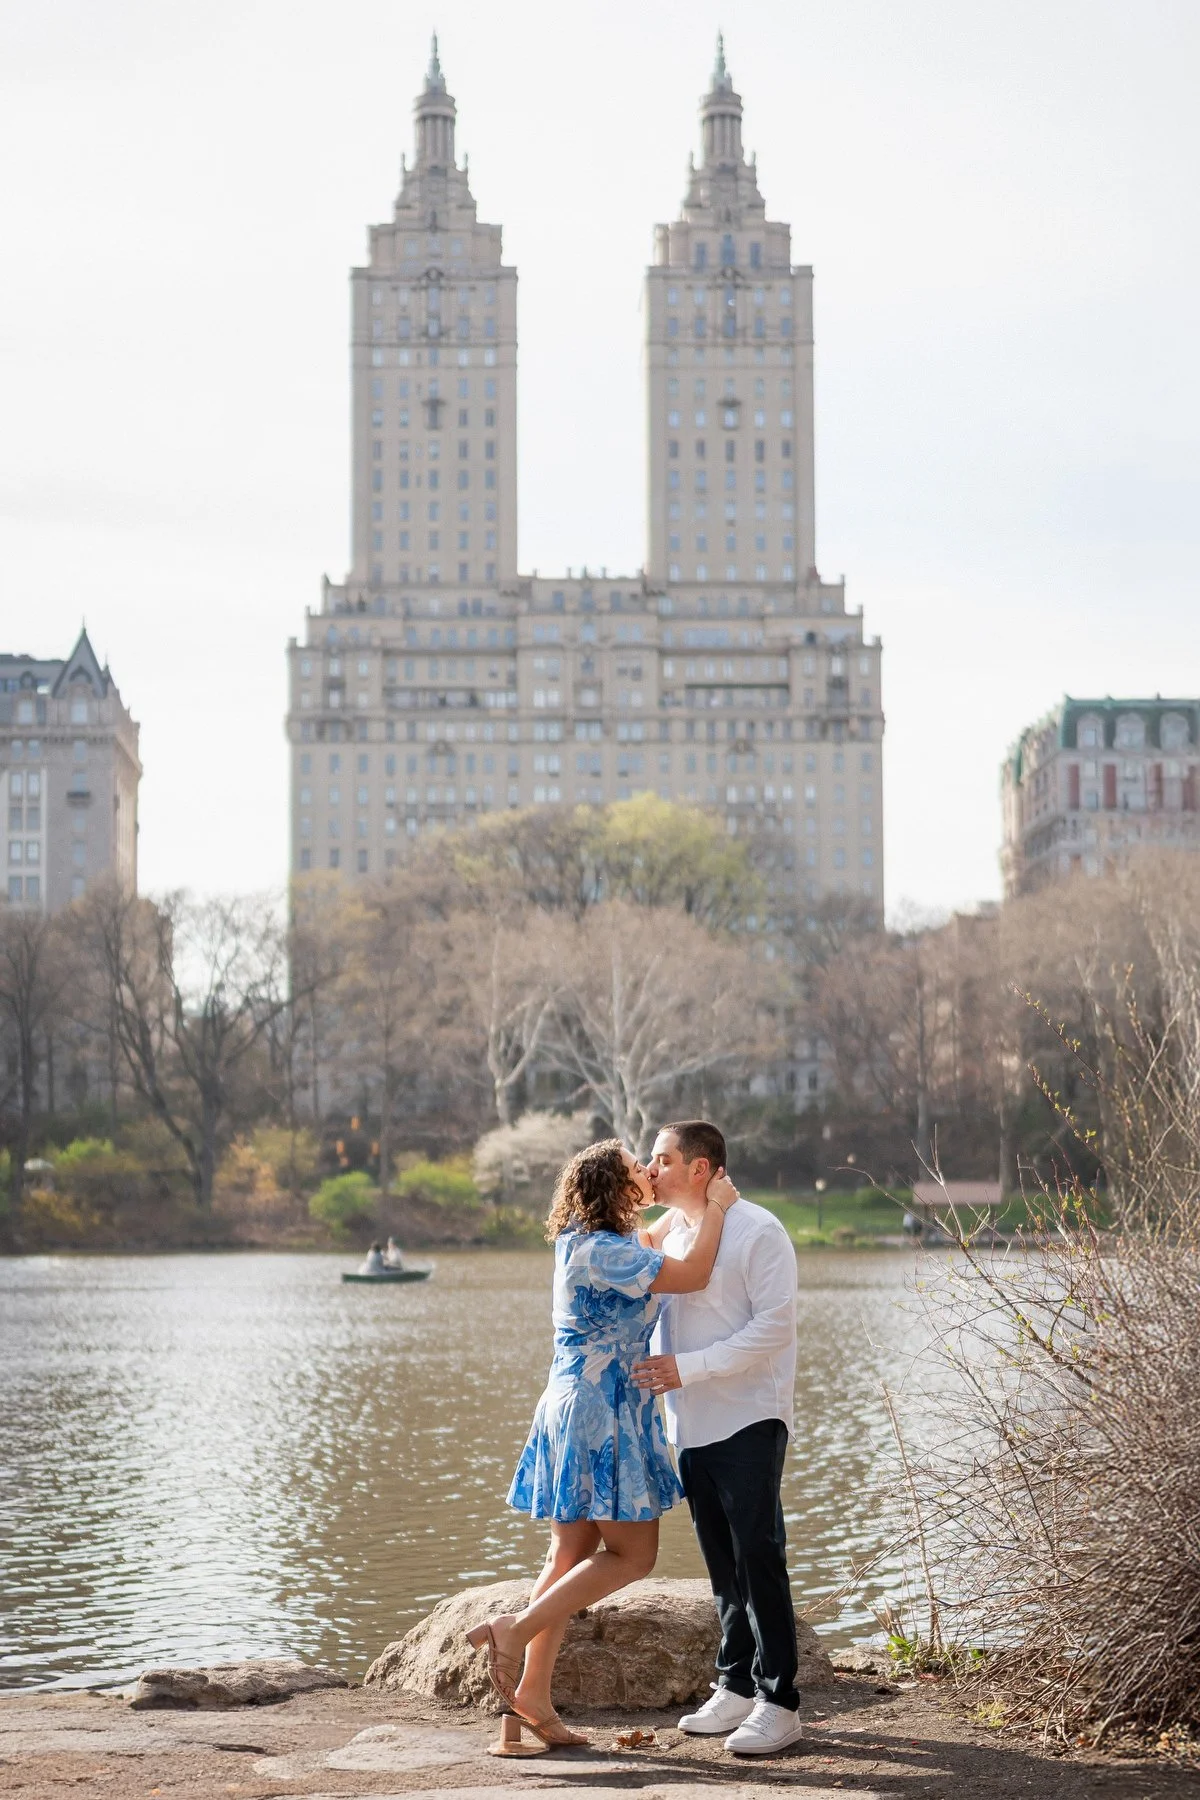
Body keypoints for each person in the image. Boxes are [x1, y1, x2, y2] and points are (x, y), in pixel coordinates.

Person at [466, 1138, 738, 1748]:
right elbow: (692, 1275)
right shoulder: (610, 1253)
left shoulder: (585, 1243)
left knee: (568, 1556)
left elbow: (656, 1236)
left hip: (572, 1402)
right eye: (635, 1170)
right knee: (634, 1555)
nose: (647, 1171)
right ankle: (514, 1629)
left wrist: (682, 1202)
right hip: (602, 1410)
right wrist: (716, 1207)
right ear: (616, 1191)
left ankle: (521, 1709)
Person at [632, 1120, 802, 1758]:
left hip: (748, 1416)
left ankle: (780, 1701)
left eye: (663, 1159)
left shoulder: (758, 1229)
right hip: (690, 1424)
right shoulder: (674, 1232)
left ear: (701, 1168)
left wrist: (688, 1369)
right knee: (721, 1564)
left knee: (759, 1555)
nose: (653, 1170)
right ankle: (734, 1684)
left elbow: (774, 1328)